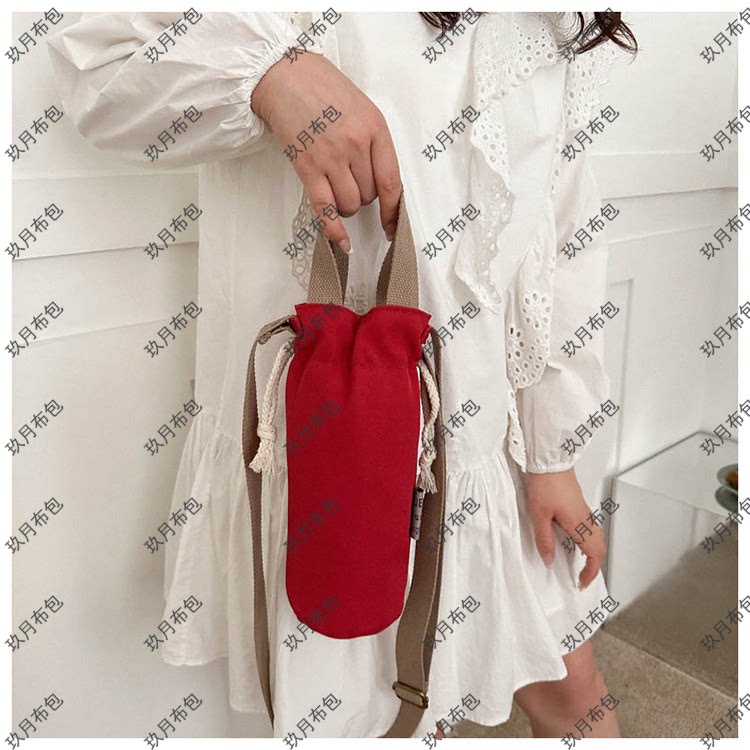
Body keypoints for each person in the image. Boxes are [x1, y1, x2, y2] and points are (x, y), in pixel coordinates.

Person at [48, 10, 636, 740]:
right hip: (325, 460)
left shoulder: (555, 20)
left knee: (572, 692)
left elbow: (556, 236)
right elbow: (98, 67)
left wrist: (553, 454)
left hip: (487, 442)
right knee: (366, 715)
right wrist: (273, 78)